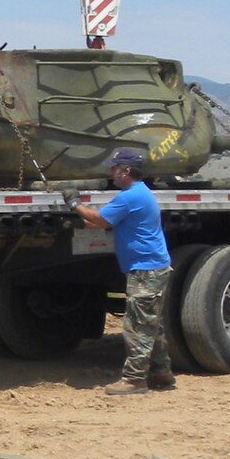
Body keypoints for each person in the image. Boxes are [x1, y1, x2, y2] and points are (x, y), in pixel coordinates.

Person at [75, 147, 174, 394]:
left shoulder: (129, 196)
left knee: (137, 325)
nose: (111, 173)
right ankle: (161, 373)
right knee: (151, 322)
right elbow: (100, 221)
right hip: (152, 267)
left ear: (126, 171)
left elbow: (98, 221)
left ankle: (135, 379)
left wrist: (74, 203)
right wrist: (79, 217)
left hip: (145, 269)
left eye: (115, 168)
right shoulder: (138, 194)